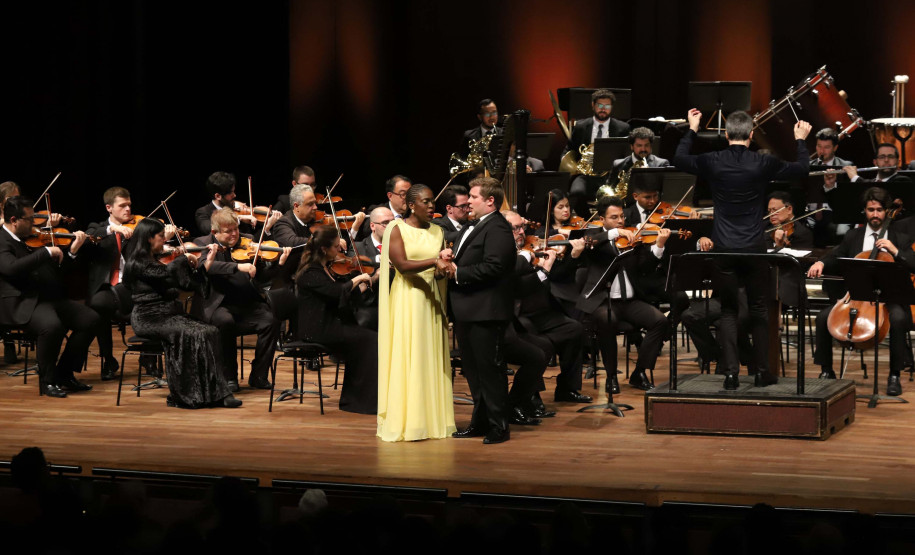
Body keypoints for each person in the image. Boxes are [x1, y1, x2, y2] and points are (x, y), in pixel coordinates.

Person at [673, 109, 811, 389]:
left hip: (724, 247)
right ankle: (761, 372)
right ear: (751, 134)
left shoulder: (713, 160)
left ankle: (731, 374)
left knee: (727, 312)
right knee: (758, 309)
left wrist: (692, 128)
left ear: (725, 135)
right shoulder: (764, 162)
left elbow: (678, 159)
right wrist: (799, 139)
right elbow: (802, 169)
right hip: (753, 247)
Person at [806, 187, 915, 395]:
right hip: (856, 297)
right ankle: (826, 371)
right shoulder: (853, 236)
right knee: (822, 318)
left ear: (886, 212)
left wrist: (895, 251)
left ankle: (894, 375)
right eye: (871, 209)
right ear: (864, 211)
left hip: (889, 297)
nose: (875, 214)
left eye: (880, 210)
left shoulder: (899, 238)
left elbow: (913, 263)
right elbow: (835, 255)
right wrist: (820, 262)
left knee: (899, 318)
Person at [123, 217, 241, 408]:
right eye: (161, 236)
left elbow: (188, 284)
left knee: (210, 331)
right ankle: (190, 393)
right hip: (149, 318)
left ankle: (218, 392)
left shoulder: (157, 260)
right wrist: (182, 258)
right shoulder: (137, 263)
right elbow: (166, 274)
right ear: (148, 239)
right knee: (193, 333)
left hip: (169, 315)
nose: (164, 240)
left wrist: (206, 263)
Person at [376, 184, 457, 441]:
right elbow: (401, 265)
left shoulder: (438, 231)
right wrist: (434, 261)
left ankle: (431, 421)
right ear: (411, 205)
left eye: (433, 201)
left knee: (429, 356)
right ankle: (408, 422)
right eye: (426, 201)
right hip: (408, 299)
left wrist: (445, 268)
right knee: (409, 355)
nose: (432, 206)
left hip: (432, 299)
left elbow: (438, 269)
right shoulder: (396, 228)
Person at [0, 196, 99, 398]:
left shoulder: (32, 239)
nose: (35, 224)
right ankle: (48, 381)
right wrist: (45, 252)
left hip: (46, 297)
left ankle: (64, 373)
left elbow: (55, 272)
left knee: (91, 319)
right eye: (29, 219)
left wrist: (71, 252)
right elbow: (10, 269)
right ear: (13, 220)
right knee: (52, 326)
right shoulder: (2, 240)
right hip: (21, 302)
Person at [571, 196, 670, 392]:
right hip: (603, 300)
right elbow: (588, 241)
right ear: (603, 219)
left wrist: (658, 246)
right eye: (614, 217)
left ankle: (639, 372)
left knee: (660, 321)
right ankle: (610, 376)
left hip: (629, 301)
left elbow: (645, 268)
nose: (620, 221)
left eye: (622, 217)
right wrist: (615, 232)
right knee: (606, 320)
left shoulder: (634, 237)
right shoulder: (594, 236)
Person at [190, 208, 290, 392]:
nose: (235, 234)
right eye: (228, 231)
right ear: (215, 232)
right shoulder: (202, 243)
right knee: (225, 321)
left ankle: (259, 375)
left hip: (245, 304)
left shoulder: (247, 241)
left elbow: (261, 276)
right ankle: (229, 377)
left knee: (272, 320)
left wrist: (279, 264)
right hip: (217, 305)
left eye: (236, 228)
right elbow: (207, 266)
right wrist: (237, 267)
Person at [448, 177, 517, 444]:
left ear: (490, 200)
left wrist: (458, 272)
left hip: (486, 311)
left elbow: (495, 266)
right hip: (469, 310)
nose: (468, 201)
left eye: (473, 197)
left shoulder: (497, 228)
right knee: (474, 372)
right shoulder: (474, 225)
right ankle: (479, 421)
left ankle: (499, 426)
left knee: (490, 371)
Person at [84, 187, 177, 380]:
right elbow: (90, 237)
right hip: (106, 287)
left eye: (129, 205)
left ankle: (148, 357)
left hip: (132, 286)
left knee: (154, 303)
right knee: (98, 306)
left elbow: (153, 254)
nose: (128, 210)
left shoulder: (139, 228)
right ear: (109, 208)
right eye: (122, 206)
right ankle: (108, 359)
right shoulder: (98, 228)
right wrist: (114, 229)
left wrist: (163, 238)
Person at [506, 210, 588, 410]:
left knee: (575, 329)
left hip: (543, 311)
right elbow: (518, 288)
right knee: (541, 345)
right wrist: (542, 271)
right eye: (515, 228)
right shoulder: (505, 253)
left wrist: (571, 256)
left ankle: (567, 388)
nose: (520, 232)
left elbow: (559, 275)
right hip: (520, 314)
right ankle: (532, 395)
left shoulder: (532, 246)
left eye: (521, 227)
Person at [295, 226, 378, 414]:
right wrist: (358, 279)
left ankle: (356, 399)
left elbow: (344, 295)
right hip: (317, 329)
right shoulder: (310, 272)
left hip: (330, 323)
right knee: (370, 340)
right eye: (335, 247)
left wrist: (372, 279)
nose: (339, 251)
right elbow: (337, 292)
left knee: (368, 338)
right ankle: (360, 401)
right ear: (324, 249)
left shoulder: (325, 268)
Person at [564, 89, 631, 218]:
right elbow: (569, 149)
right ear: (593, 105)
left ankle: (610, 220)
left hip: (611, 175)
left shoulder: (623, 128)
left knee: (620, 194)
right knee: (576, 192)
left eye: (607, 106)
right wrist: (566, 162)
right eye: (600, 105)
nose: (603, 109)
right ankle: (587, 219)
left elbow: (627, 154)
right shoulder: (581, 126)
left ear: (611, 108)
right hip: (586, 175)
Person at [271, 183, 319, 285]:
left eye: (315, 203)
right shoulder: (283, 223)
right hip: (294, 281)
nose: (315, 207)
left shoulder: (315, 220)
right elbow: (292, 242)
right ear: (296, 206)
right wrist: (322, 240)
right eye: (310, 204)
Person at [194, 171, 265, 236]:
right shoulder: (203, 213)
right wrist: (238, 218)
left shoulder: (237, 210)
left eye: (234, 191)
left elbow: (251, 239)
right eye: (231, 193)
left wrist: (266, 228)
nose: (234, 195)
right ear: (218, 196)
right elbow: (211, 229)